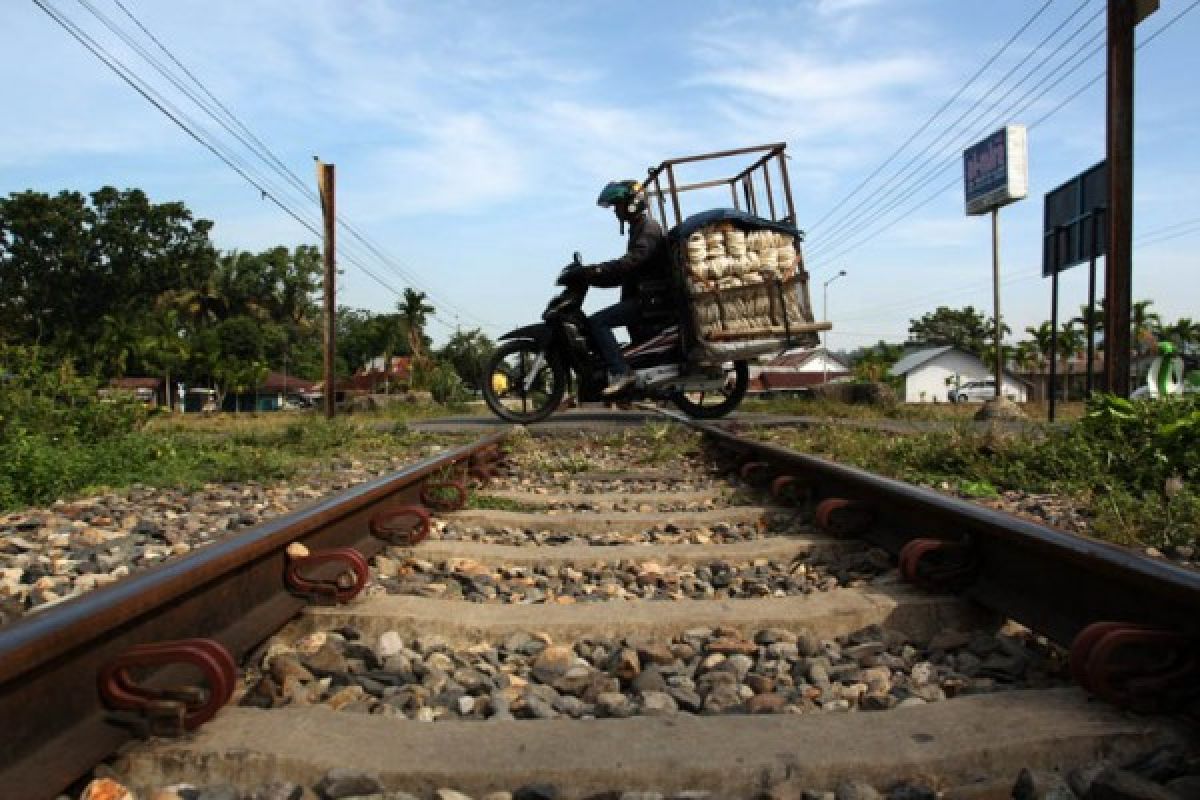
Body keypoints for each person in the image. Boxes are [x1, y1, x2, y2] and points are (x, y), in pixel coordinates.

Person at [576, 179, 670, 396]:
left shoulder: (648, 228)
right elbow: (626, 272)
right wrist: (592, 278)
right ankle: (634, 383)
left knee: (597, 322)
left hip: (651, 300)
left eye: (618, 205)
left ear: (631, 204)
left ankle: (621, 372)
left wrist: (597, 270)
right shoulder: (639, 228)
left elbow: (631, 262)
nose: (616, 211)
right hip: (645, 296)